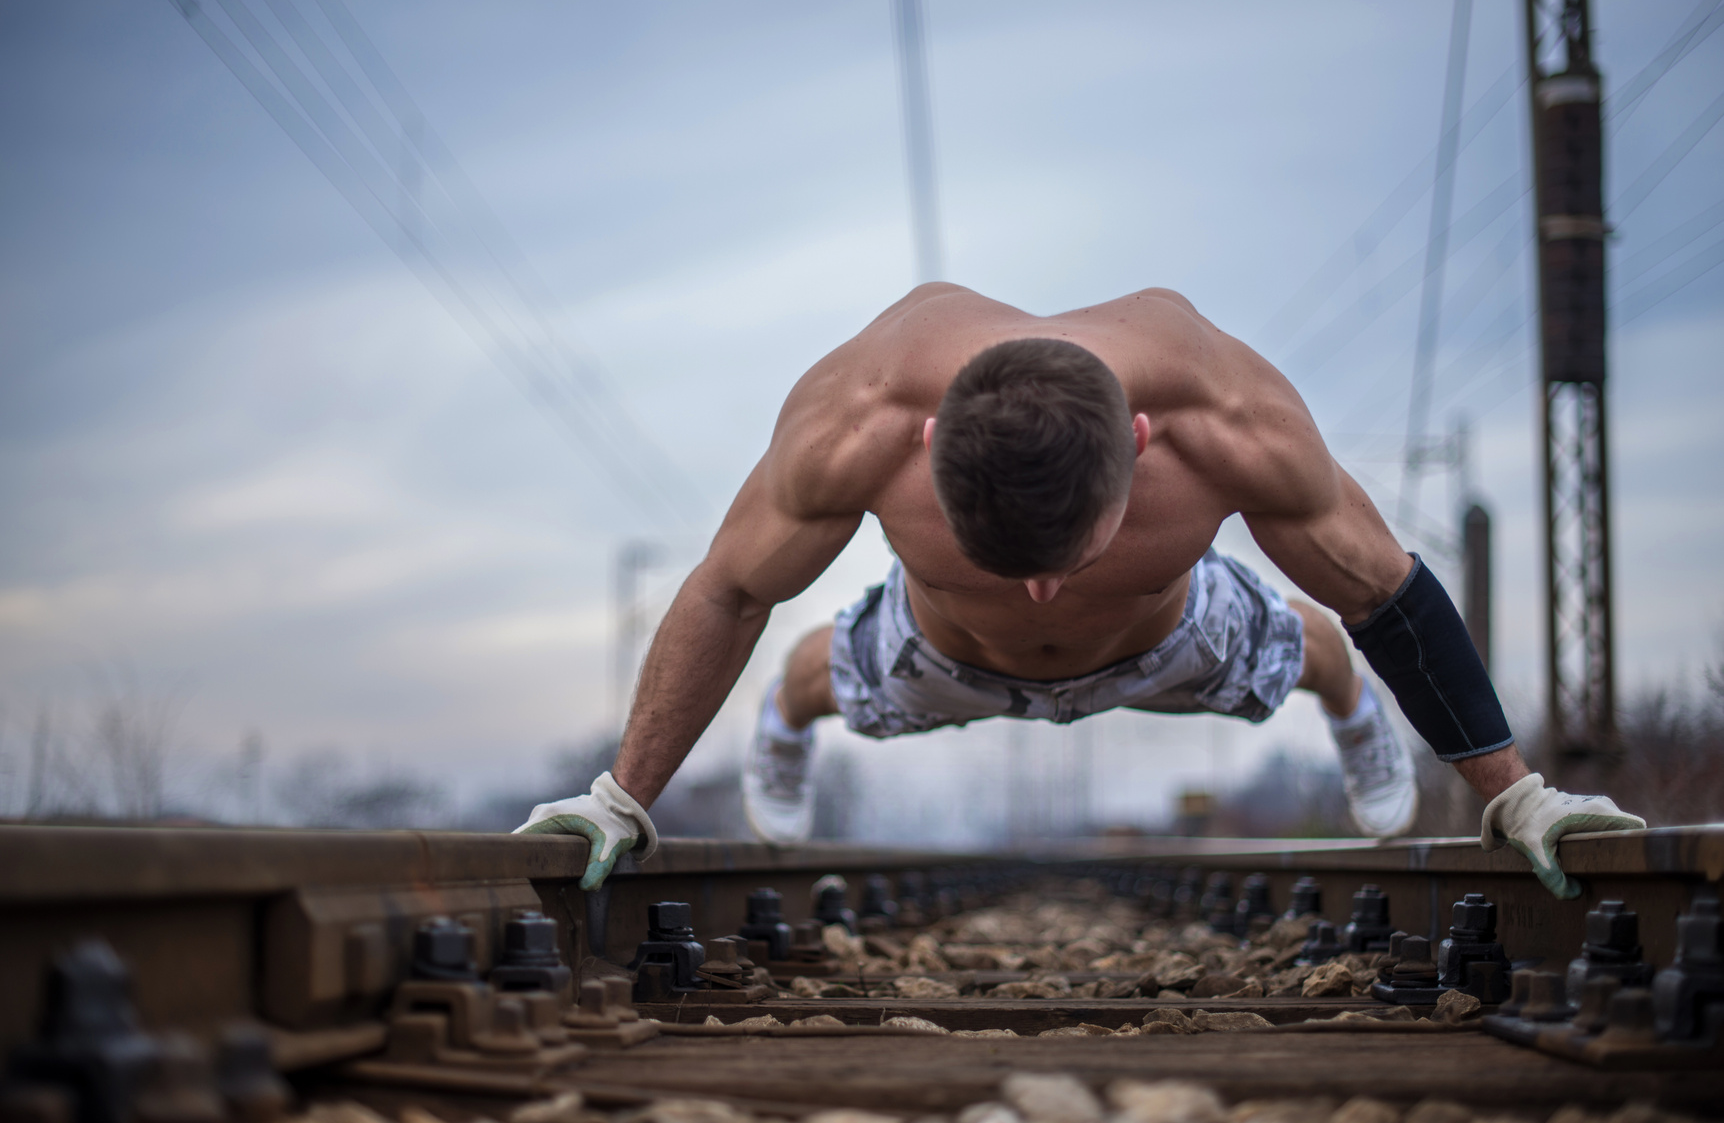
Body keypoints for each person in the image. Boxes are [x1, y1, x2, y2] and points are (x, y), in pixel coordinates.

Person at [517, 284, 1642, 897]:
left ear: (1143, 443)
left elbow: (1383, 592)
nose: (1046, 590)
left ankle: (1344, 711)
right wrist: (620, 797)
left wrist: (1516, 794)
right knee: (815, 679)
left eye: (1068, 552)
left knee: (1316, 646)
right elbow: (726, 589)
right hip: (941, 646)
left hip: (1173, 633)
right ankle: (785, 726)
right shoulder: (854, 418)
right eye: (1012, 558)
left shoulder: (1227, 419)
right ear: (924, 445)